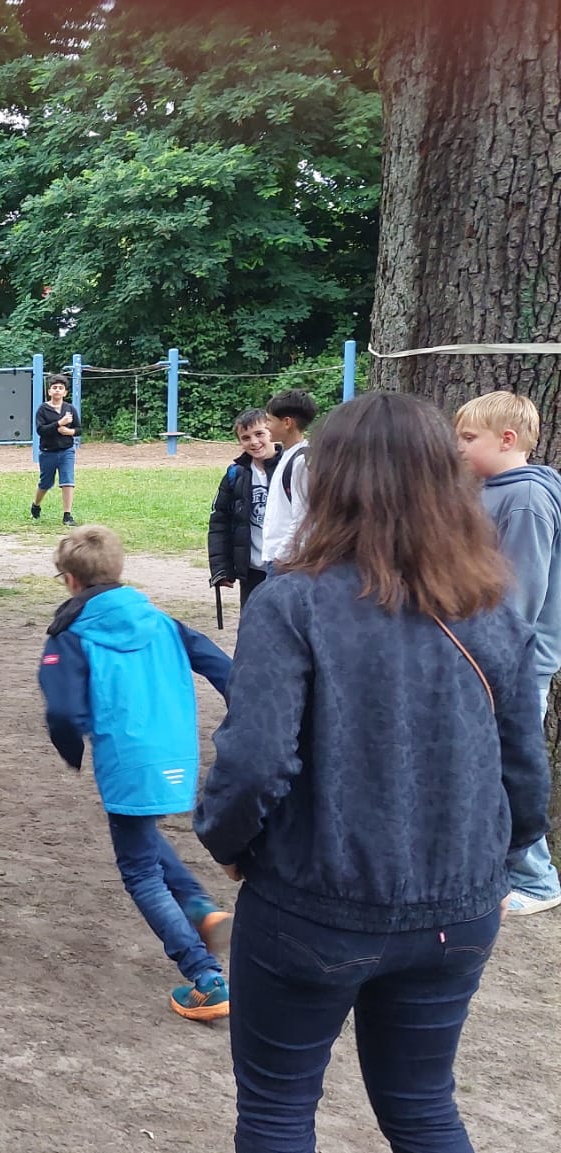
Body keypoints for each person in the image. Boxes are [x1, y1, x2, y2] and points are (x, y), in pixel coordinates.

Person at [196, 392, 550, 1153]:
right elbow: (524, 770)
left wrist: (225, 839)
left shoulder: (291, 603)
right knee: (424, 1108)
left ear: (330, 481)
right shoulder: (493, 606)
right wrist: (500, 858)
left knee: (278, 1109)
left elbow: (254, 760)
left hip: (314, 905)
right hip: (454, 908)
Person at [39, 525, 236, 1021]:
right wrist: (249, 712)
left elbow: (61, 711)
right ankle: (200, 909)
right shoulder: (160, 619)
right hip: (177, 754)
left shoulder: (70, 634)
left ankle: (205, 977)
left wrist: (70, 749)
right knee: (139, 833)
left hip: (128, 760)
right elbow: (223, 668)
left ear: (70, 580)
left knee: (139, 872)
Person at [455, 389, 561, 917]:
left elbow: (520, 593)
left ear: (508, 439)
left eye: (468, 437)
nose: (459, 447)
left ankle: (537, 879)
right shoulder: (493, 490)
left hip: (513, 665)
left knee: (508, 765)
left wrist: (493, 654)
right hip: (487, 657)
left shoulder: (525, 498)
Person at [208, 408, 283, 608]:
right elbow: (219, 522)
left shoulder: (291, 466)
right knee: (253, 622)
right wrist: (220, 568)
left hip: (287, 568)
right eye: (246, 437)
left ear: (271, 433)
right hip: (252, 571)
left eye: (259, 434)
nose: (254, 442)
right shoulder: (236, 475)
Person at [259, 388, 317, 571]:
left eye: (269, 420)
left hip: (287, 562)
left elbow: (303, 517)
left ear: (287, 423)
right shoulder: (287, 455)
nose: (266, 426)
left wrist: (281, 556)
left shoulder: (301, 461)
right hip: (278, 559)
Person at [32, 374, 80, 526]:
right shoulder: (43, 409)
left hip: (67, 450)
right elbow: (41, 430)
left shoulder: (70, 409)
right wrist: (59, 423)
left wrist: (70, 431)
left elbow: (79, 429)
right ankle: (36, 505)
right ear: (49, 391)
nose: (57, 390)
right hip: (48, 452)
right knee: (45, 483)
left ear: (65, 392)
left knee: (68, 481)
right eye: (54, 388)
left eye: (60, 388)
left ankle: (67, 515)